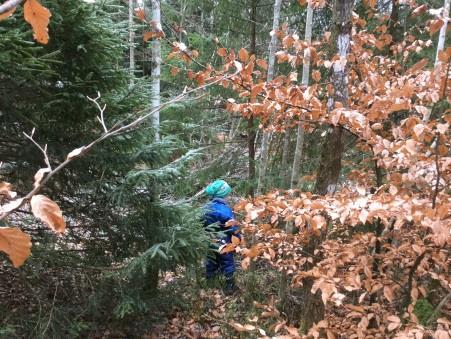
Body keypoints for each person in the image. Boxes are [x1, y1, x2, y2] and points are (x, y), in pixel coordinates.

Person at [203, 179, 241, 295]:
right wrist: (238, 238)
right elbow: (232, 226)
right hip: (224, 240)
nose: (228, 197)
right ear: (223, 195)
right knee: (227, 261)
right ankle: (230, 286)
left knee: (211, 260)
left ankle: (210, 283)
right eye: (227, 194)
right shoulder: (224, 209)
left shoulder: (206, 207)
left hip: (209, 239)